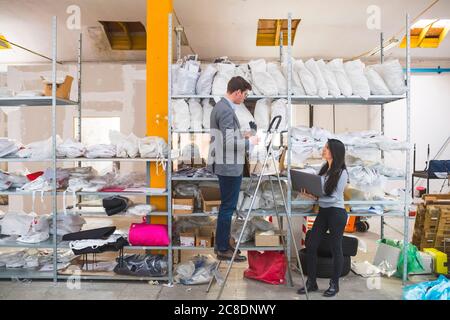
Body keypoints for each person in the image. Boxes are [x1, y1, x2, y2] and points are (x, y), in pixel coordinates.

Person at [207, 76, 259, 262]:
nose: (244, 98)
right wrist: (249, 141)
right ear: (237, 92)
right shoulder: (227, 110)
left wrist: (241, 134)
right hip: (228, 165)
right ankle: (222, 248)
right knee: (227, 208)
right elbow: (229, 143)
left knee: (226, 207)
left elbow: (225, 136)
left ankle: (224, 243)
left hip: (223, 163)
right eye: (244, 94)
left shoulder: (220, 107)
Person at [297, 139, 349, 297]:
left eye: (327, 148)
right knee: (311, 244)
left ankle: (334, 284)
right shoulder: (325, 168)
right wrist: (309, 194)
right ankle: (311, 282)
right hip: (324, 212)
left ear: (334, 151)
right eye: (324, 147)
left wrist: (316, 198)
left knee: (336, 248)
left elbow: (333, 198)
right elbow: (320, 191)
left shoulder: (342, 172)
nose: (323, 150)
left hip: (336, 213)